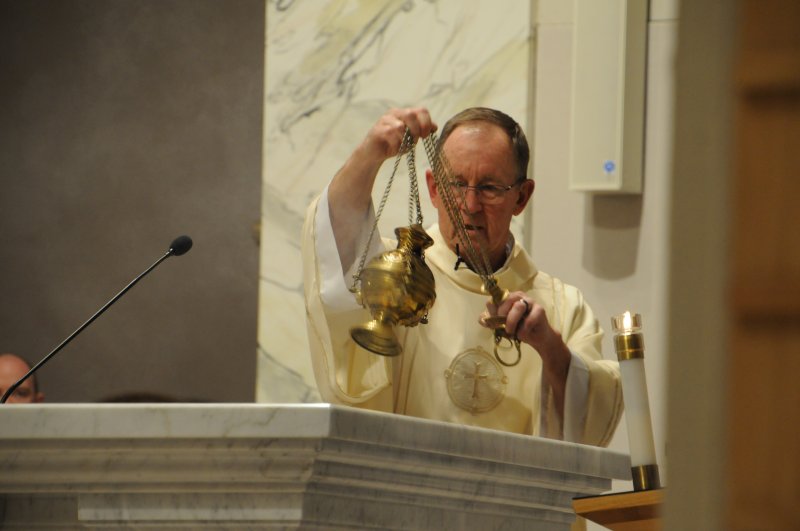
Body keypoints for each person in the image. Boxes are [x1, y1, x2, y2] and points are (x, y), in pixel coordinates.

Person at [302, 107, 622, 446]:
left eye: (489, 188)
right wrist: (369, 155)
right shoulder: (395, 279)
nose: (469, 205)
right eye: (455, 184)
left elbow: (592, 412)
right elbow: (336, 249)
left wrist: (549, 347)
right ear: (433, 189)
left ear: (521, 197)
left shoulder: (562, 307)